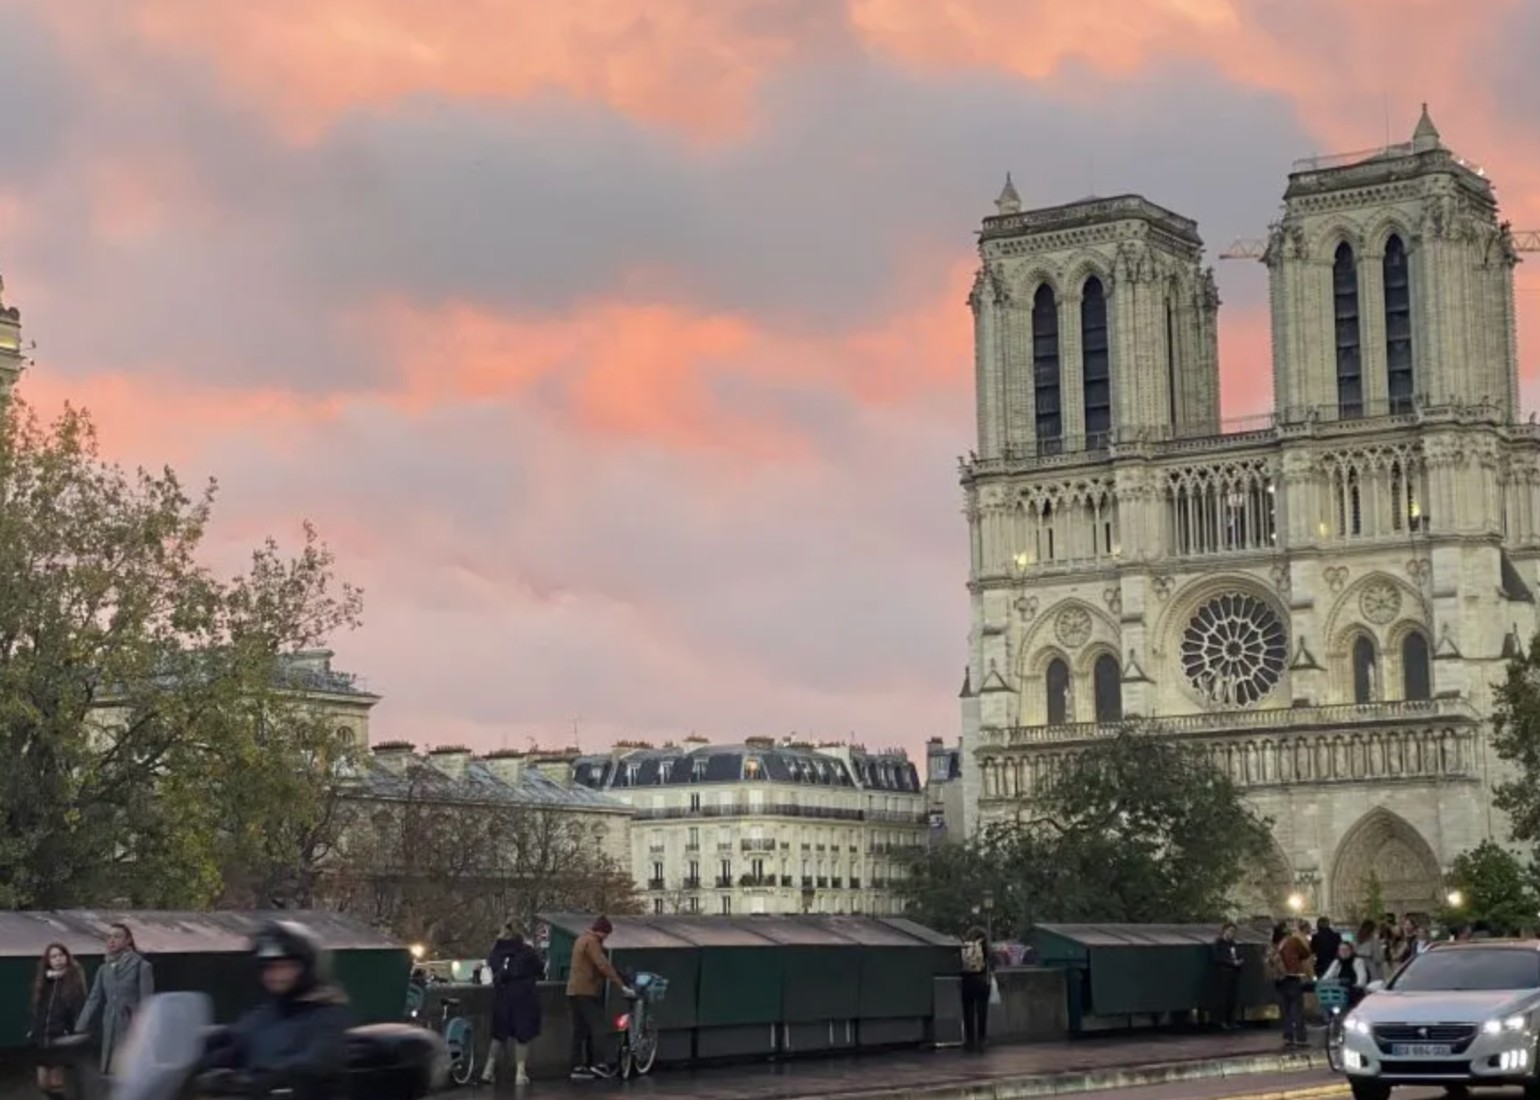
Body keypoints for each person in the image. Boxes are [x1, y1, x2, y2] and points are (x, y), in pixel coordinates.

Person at [198, 921, 351, 1100]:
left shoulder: (328, 1015)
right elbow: (231, 1043)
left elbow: (316, 1063)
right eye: (269, 968)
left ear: (307, 967)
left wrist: (258, 1080)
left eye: (285, 967)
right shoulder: (262, 1017)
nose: (275, 975)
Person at [76, 922, 153, 1075]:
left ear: (128, 940)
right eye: (109, 937)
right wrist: (80, 1026)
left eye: (117, 937)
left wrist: (142, 1027)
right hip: (110, 1025)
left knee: (128, 1071)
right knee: (109, 1071)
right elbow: (94, 998)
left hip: (131, 1026)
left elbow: (147, 1002)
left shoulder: (141, 966)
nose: (111, 940)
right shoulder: (104, 968)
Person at [566, 917, 632, 1081]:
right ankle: (598, 1064)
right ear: (602, 931)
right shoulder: (592, 942)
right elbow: (602, 964)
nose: (606, 938)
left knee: (579, 1030)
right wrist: (621, 984)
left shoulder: (580, 939)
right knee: (599, 1027)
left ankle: (577, 1067)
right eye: (606, 934)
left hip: (574, 991)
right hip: (586, 991)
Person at [482, 922, 545, 1086]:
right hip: (524, 995)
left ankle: (488, 1070)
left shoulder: (497, 951)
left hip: (502, 994)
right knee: (522, 1034)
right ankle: (520, 1073)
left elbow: (493, 968)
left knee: (499, 1033)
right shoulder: (526, 951)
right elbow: (540, 969)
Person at [31, 943, 87, 1099]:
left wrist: (74, 1031)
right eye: (54, 956)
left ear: (67, 957)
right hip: (42, 1038)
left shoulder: (73, 981)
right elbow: (38, 1009)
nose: (58, 959)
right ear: (48, 960)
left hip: (60, 1038)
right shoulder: (43, 982)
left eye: (61, 955)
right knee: (43, 1083)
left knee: (56, 1083)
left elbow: (78, 1009)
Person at [1276, 921, 1313, 1049]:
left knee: (1285, 1009)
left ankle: (1288, 1036)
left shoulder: (1276, 944)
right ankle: (1301, 1037)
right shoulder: (1294, 941)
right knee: (1297, 1008)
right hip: (1293, 977)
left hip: (1280, 979)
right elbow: (1306, 953)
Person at [958, 925, 992, 1052]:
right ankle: (982, 1038)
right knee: (982, 1011)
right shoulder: (983, 945)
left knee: (968, 1011)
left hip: (967, 981)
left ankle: (969, 1039)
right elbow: (990, 960)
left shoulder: (964, 946)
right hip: (982, 981)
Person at [1211, 922, 1244, 1030]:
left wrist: (1239, 962)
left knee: (1232, 998)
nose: (1232, 934)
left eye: (1234, 932)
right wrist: (1231, 963)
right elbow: (1217, 958)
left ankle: (1231, 1020)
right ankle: (1222, 1020)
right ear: (1224, 931)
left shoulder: (1234, 944)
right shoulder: (1218, 943)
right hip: (1223, 973)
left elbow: (1239, 955)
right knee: (1223, 998)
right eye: (1230, 931)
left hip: (1234, 973)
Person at [1322, 940, 1371, 1006]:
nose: (1344, 952)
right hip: (1339, 993)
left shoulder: (1358, 961)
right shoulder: (1336, 962)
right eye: (1341, 950)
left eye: (1346, 950)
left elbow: (1362, 977)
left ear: (1351, 951)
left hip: (1354, 993)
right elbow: (1328, 975)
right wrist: (1322, 982)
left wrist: (1358, 987)